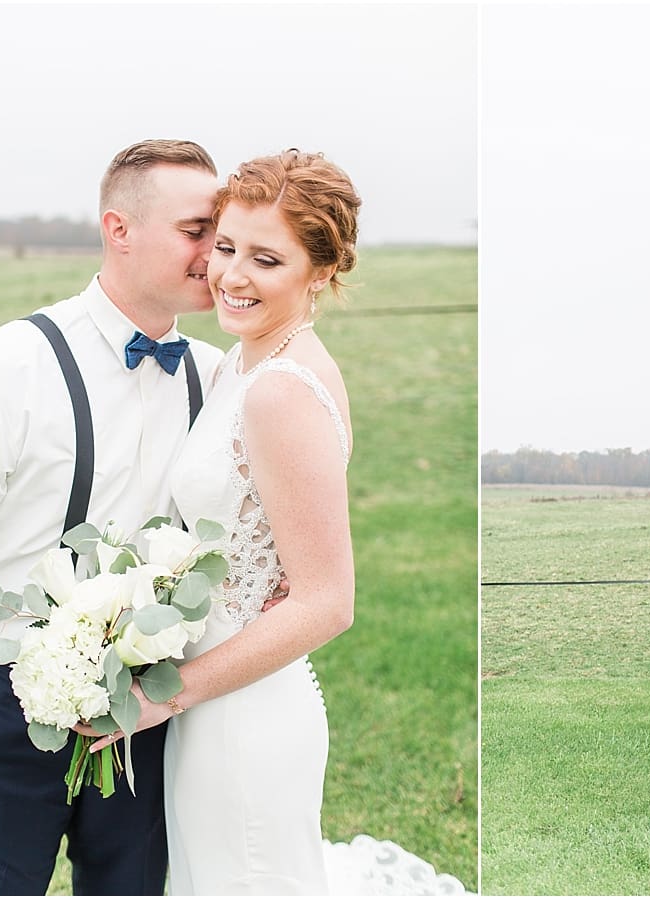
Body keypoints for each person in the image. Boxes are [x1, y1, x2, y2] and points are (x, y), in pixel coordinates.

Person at [82, 150, 468, 895]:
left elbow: (328, 602)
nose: (231, 274)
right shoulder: (242, 364)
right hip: (213, 700)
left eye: (266, 259)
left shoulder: (281, 390)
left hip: (242, 719)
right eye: (225, 247)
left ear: (321, 270)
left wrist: (166, 695)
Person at [0, 140, 226, 894]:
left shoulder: (217, 377)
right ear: (118, 229)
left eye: (222, 232)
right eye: (195, 230)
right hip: (0, 706)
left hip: (147, 713)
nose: (216, 253)